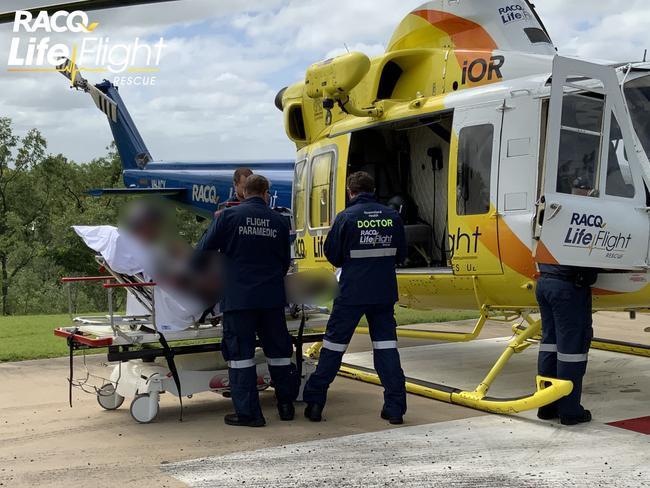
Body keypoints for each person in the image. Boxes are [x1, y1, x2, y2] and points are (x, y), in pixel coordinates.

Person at [303, 171, 408, 424]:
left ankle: (315, 403)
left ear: (351, 192)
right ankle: (394, 409)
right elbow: (401, 254)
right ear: (373, 190)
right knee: (386, 349)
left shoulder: (346, 217)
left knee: (333, 348)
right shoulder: (392, 216)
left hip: (351, 293)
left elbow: (333, 255)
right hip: (382, 294)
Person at [195, 174, 298, 427]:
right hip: (272, 298)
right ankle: (286, 406)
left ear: (242, 193)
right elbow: (285, 261)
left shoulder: (229, 218)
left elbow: (202, 252)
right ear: (266, 193)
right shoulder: (279, 221)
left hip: (239, 299)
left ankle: (249, 414)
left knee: (241, 356)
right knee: (280, 354)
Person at [536, 263, 598, 425]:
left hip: (544, 283)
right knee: (572, 352)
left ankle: (546, 405)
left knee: (550, 344)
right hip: (567, 287)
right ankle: (570, 411)